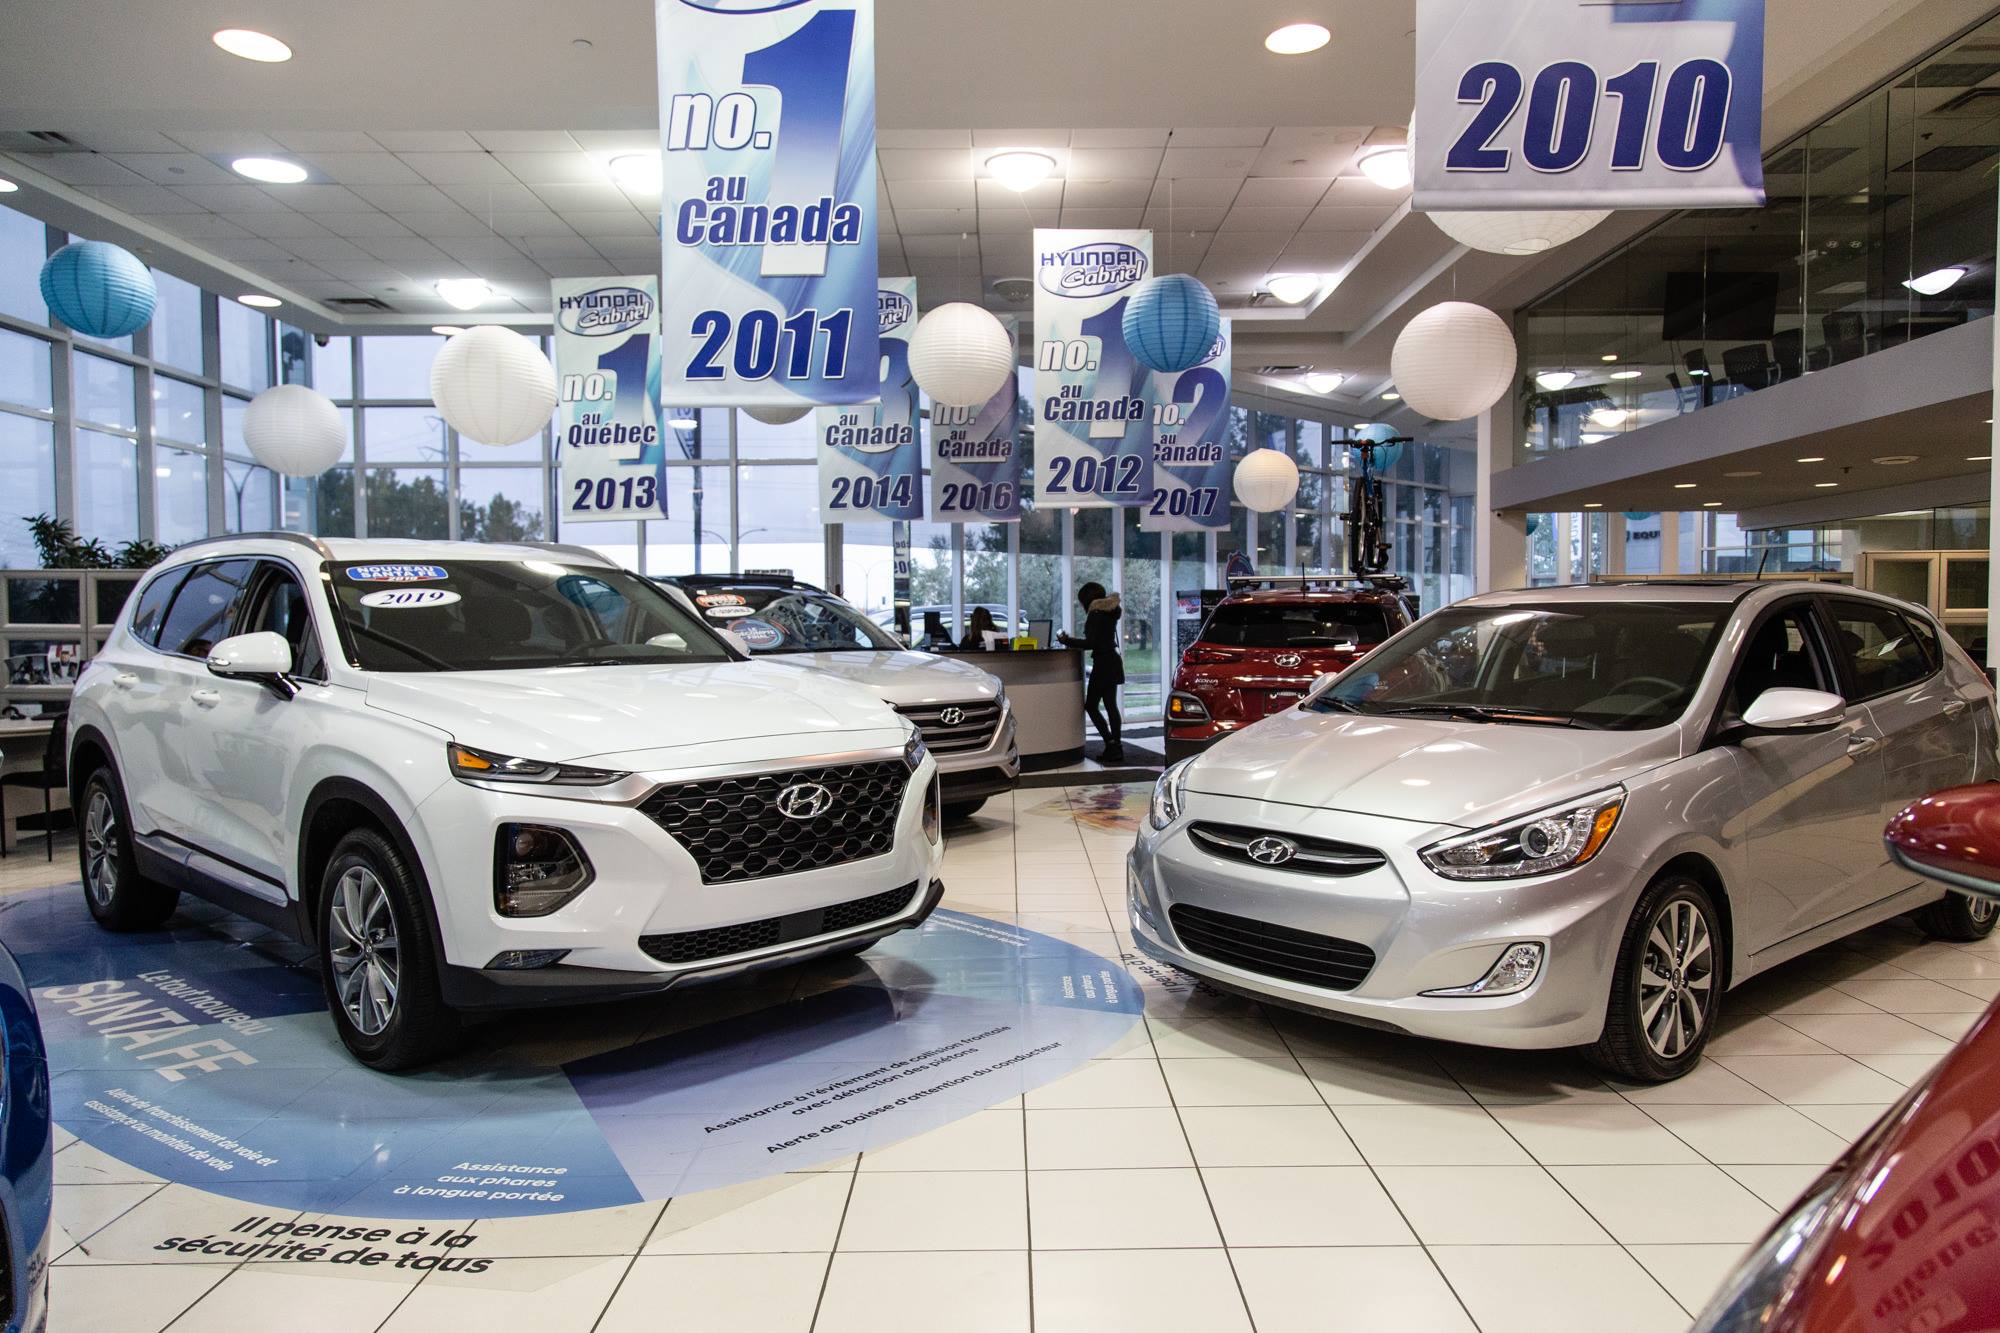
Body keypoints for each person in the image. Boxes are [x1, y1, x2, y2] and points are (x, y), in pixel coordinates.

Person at [1059, 582, 1124, 764]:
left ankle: (1110, 743)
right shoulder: (1110, 612)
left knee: (1091, 705)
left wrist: (1067, 640)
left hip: (1103, 663)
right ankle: (1116, 746)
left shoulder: (1096, 614)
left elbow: (1091, 643)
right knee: (1111, 705)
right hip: (1113, 660)